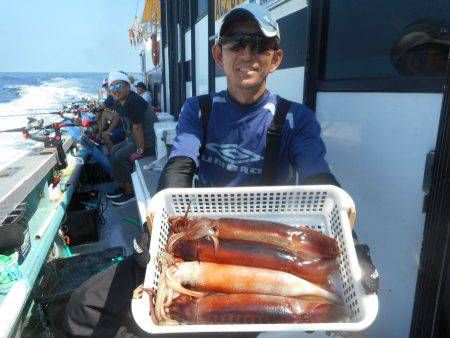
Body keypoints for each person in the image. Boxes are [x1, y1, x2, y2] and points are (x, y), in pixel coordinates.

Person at [63, 4, 338, 337]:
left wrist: (352, 242)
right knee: (84, 307)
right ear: (219, 55)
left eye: (259, 44)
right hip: (197, 239)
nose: (247, 53)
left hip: (263, 252)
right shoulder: (200, 109)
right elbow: (181, 163)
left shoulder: (296, 119)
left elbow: (318, 178)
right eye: (236, 43)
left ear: (275, 58)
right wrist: (158, 223)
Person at [105, 71, 159, 206]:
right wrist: (108, 131)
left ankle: (130, 192)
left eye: (119, 85)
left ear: (128, 86)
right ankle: (123, 186)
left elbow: (138, 128)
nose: (115, 90)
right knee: (113, 151)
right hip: (133, 139)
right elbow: (118, 116)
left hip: (147, 141)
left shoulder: (134, 101)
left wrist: (140, 151)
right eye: (112, 87)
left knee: (120, 155)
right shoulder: (119, 101)